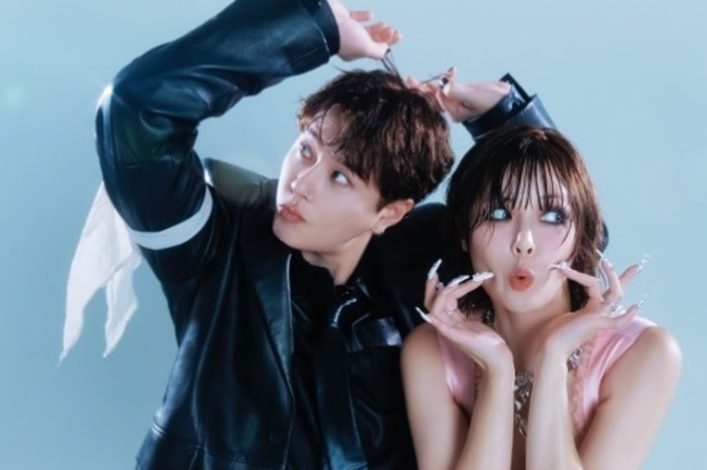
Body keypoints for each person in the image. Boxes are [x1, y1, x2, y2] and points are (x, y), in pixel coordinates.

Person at [77, 0, 559, 467]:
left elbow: (562, 256)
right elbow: (134, 109)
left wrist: (505, 119)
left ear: (390, 213)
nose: (300, 184)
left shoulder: (426, 262)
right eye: (306, 150)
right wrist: (315, 27)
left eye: (341, 177)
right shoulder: (212, 245)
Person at [401, 124, 682, 469]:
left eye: (552, 216)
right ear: (463, 233)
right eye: (499, 214)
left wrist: (554, 356)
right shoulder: (431, 350)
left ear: (581, 236)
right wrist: (496, 370)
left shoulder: (644, 352)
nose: (525, 242)